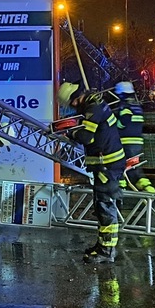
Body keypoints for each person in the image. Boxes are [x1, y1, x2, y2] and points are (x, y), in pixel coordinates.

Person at [58, 82, 126, 263]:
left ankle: (107, 251)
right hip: (106, 164)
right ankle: (102, 245)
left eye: (72, 103)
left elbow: (86, 137)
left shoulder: (93, 108)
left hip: (107, 165)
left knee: (105, 206)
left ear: (76, 98)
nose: (73, 107)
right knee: (101, 206)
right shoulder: (95, 104)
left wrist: (70, 133)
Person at [113, 82, 155, 193]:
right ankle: (149, 189)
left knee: (119, 167)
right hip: (137, 144)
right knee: (134, 169)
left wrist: (116, 126)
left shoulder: (124, 105)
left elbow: (125, 119)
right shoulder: (137, 107)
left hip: (125, 143)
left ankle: (119, 192)